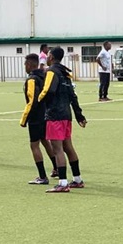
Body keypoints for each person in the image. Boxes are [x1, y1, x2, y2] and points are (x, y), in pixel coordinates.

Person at [38, 46, 87, 193]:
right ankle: (77, 179)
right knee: (68, 147)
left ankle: (63, 183)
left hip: (55, 115)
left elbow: (48, 91)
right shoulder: (66, 74)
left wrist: (39, 102)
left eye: (48, 55)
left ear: (51, 57)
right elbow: (73, 96)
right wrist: (79, 115)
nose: (46, 57)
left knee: (57, 149)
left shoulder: (52, 71)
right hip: (67, 115)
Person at [20, 53, 58, 184]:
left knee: (34, 145)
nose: (24, 66)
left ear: (30, 65)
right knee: (45, 141)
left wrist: (24, 119)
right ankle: (56, 167)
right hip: (46, 114)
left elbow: (32, 101)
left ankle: (42, 176)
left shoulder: (31, 80)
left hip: (36, 117)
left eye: (25, 64)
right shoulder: (44, 76)